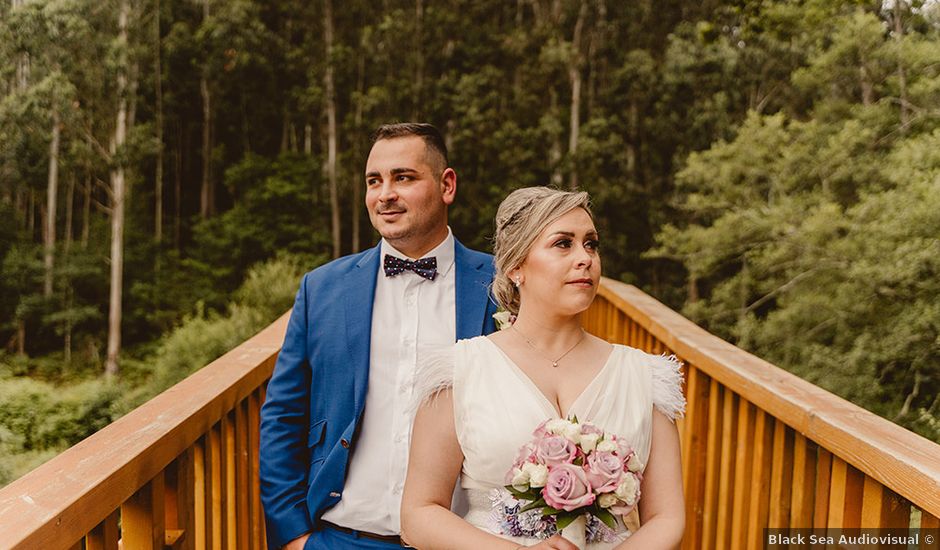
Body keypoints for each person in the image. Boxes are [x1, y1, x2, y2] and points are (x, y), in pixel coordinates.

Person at [400, 187, 686, 549]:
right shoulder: (460, 372)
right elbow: (419, 514)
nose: (585, 258)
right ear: (516, 266)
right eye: (563, 244)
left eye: (591, 244)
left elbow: (667, 517)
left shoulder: (644, 377)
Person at [259, 122, 499, 550]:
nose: (384, 194)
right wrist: (295, 537)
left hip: (466, 539)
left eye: (403, 177)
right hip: (341, 537)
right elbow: (283, 415)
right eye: (374, 181)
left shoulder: (503, 286)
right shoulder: (322, 289)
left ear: (447, 185)